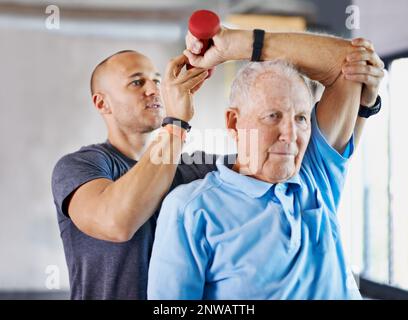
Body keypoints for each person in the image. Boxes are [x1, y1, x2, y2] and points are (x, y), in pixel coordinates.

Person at [147, 28, 384, 299]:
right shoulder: (191, 209)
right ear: (234, 123)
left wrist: (236, 45)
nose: (291, 135)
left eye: (301, 118)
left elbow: (351, 60)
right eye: (273, 116)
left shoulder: (314, 175)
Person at [51, 50, 217, 299]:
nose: (154, 89)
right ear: (101, 103)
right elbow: (117, 223)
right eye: (137, 82)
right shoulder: (79, 166)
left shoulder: (194, 168)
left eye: (157, 81)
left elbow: (268, 161)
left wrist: (239, 48)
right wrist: (175, 125)